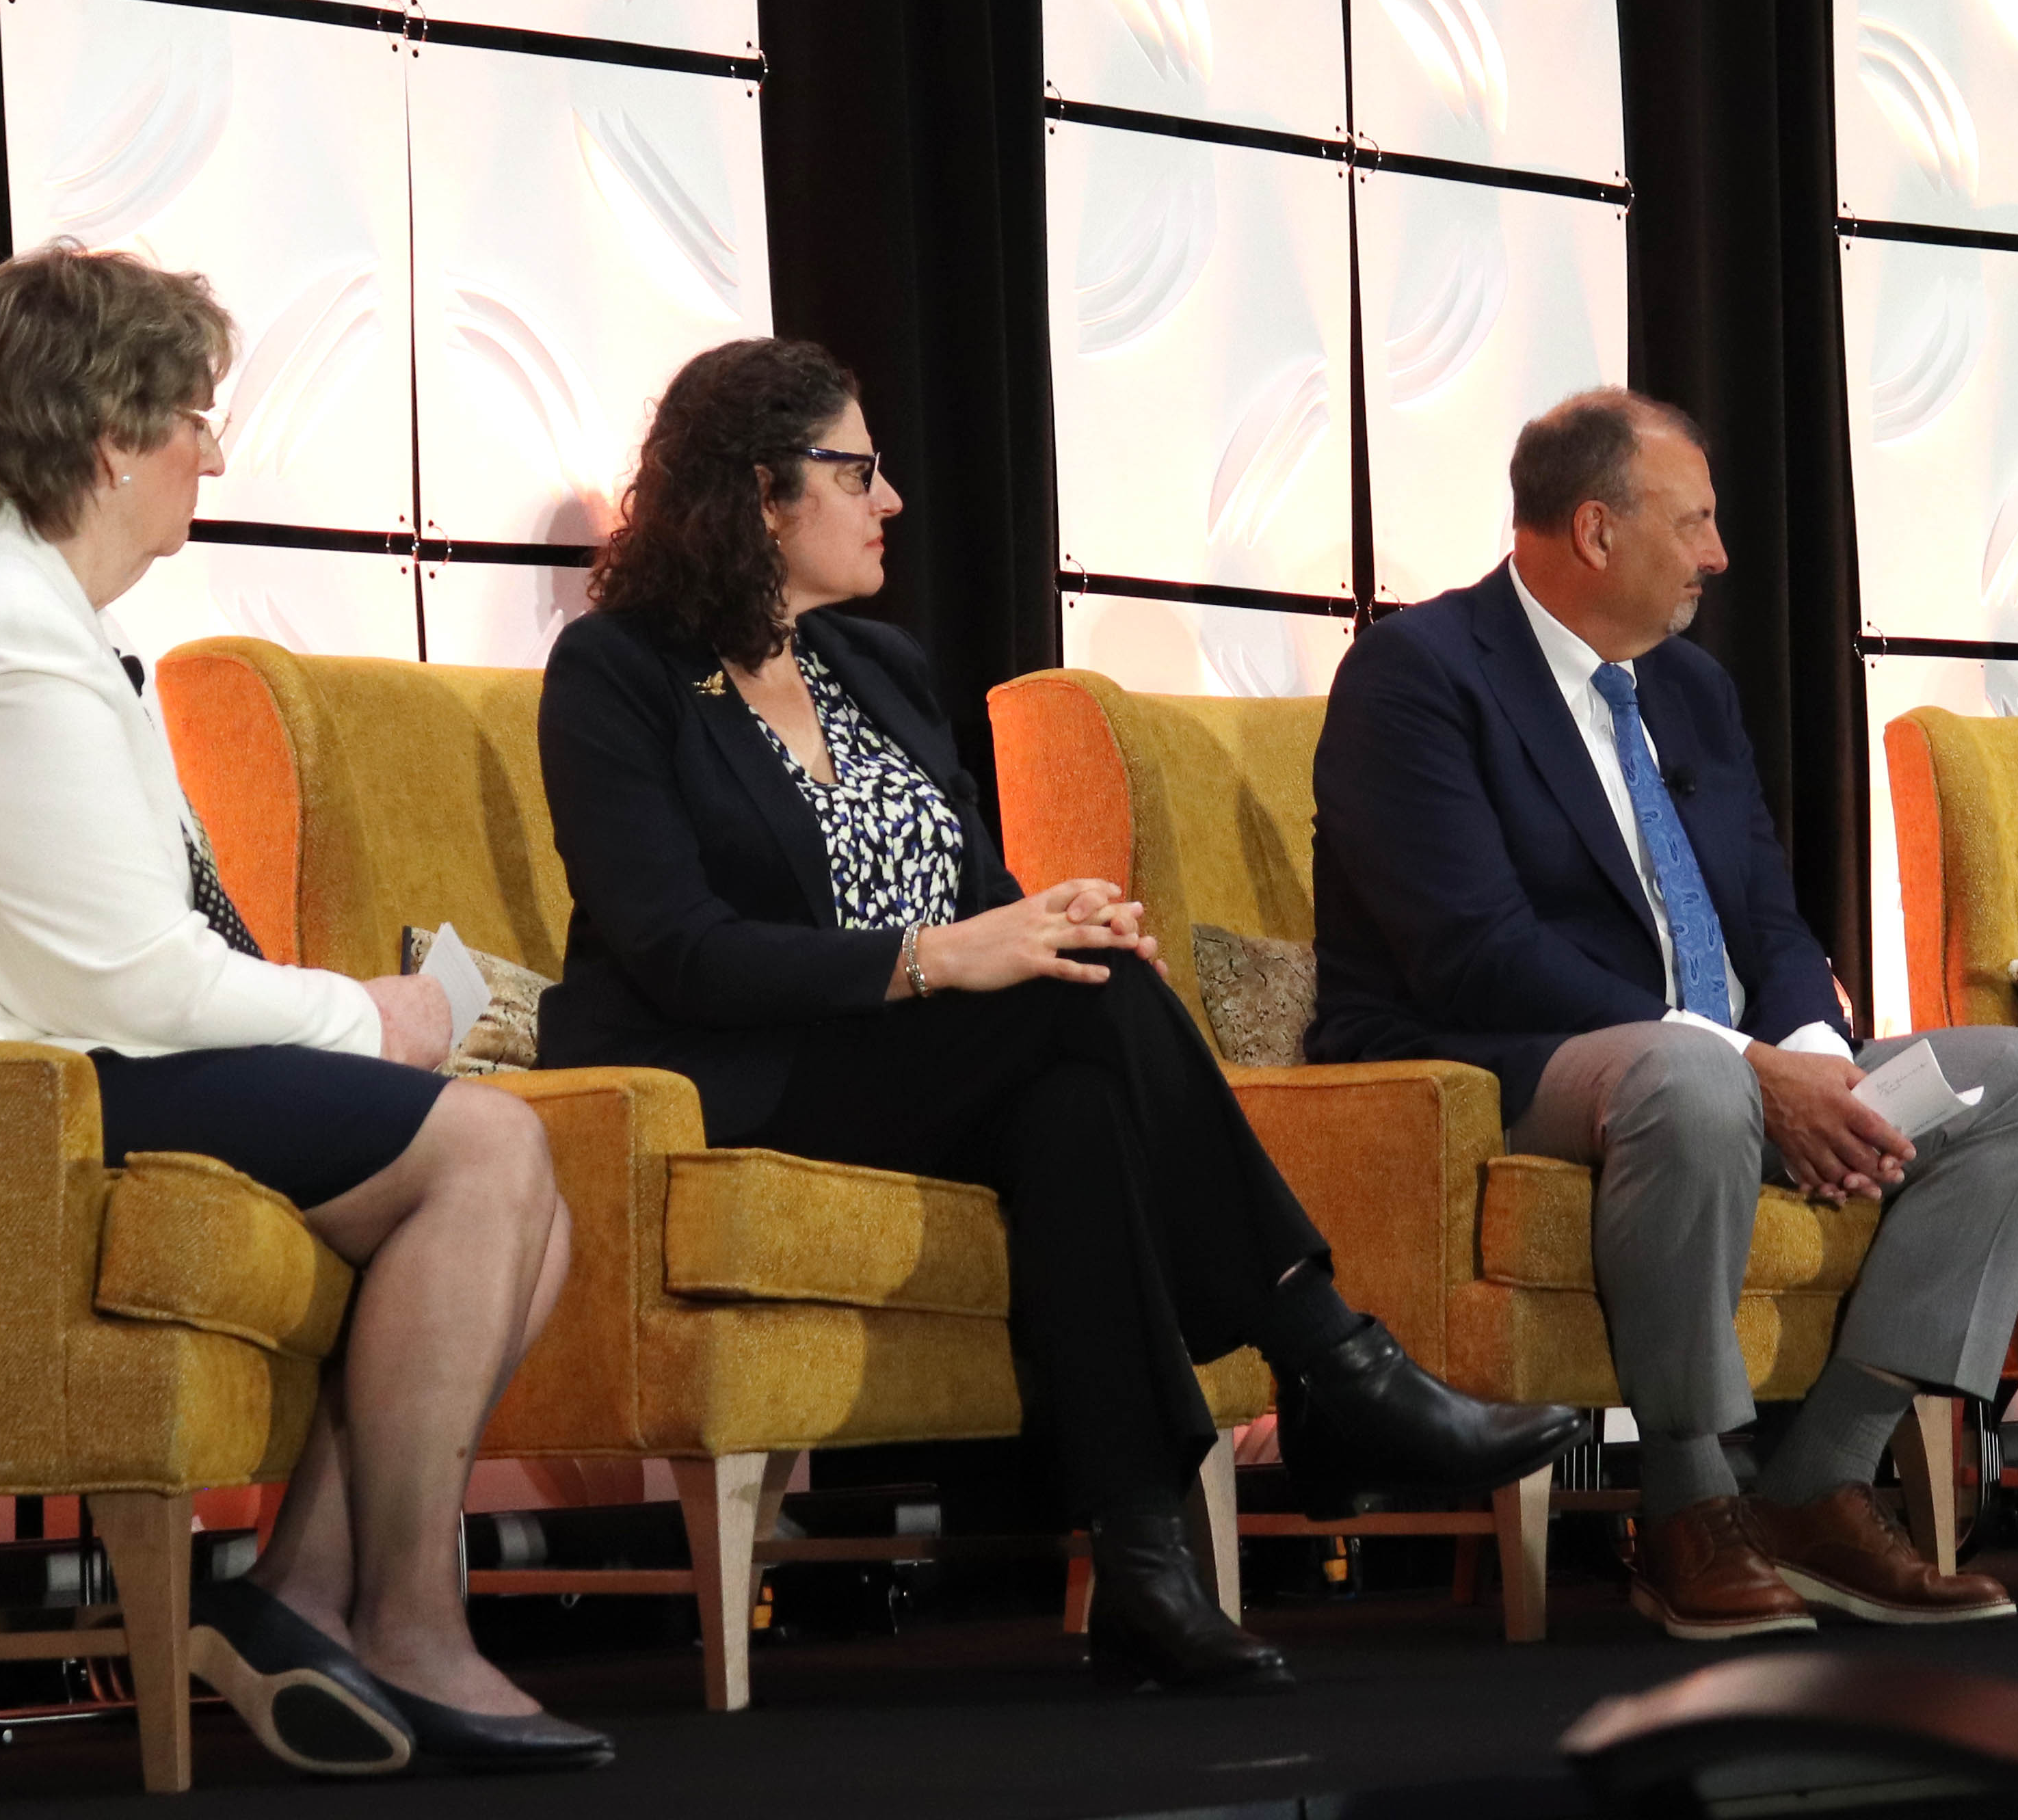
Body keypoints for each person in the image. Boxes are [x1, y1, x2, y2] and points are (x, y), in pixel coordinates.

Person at [533, 336, 1584, 1694]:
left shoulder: (880, 671)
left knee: (1078, 1084)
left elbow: (984, 898)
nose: (891, 497)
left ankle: (1147, 1565)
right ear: (755, 491)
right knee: (1077, 1024)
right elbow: (681, 951)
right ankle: (1331, 1357)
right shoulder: (618, 674)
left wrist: (1052, 927)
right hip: (736, 1065)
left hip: (923, 1064)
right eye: (855, 468)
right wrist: (945, 959)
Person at [0, 245, 605, 1774]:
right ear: (112, 437)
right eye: (197, 415)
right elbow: (125, 978)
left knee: (526, 1186)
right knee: (481, 1154)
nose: (213, 448)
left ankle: (305, 1601)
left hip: (25, 1064)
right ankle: (399, 1617)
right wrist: (376, 1017)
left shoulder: (11, 605)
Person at [1310, 388, 2018, 1640]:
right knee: (1693, 1080)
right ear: (1598, 530)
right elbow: (1472, 954)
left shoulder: (1691, 690)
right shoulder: (1418, 675)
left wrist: (1822, 1060)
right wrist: (1741, 1060)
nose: (1720, 555)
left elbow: (1769, 921)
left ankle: (1820, 1479)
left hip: (1725, 1059)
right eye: (1697, 522)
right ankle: (1684, 1505)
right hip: (1500, 1056)